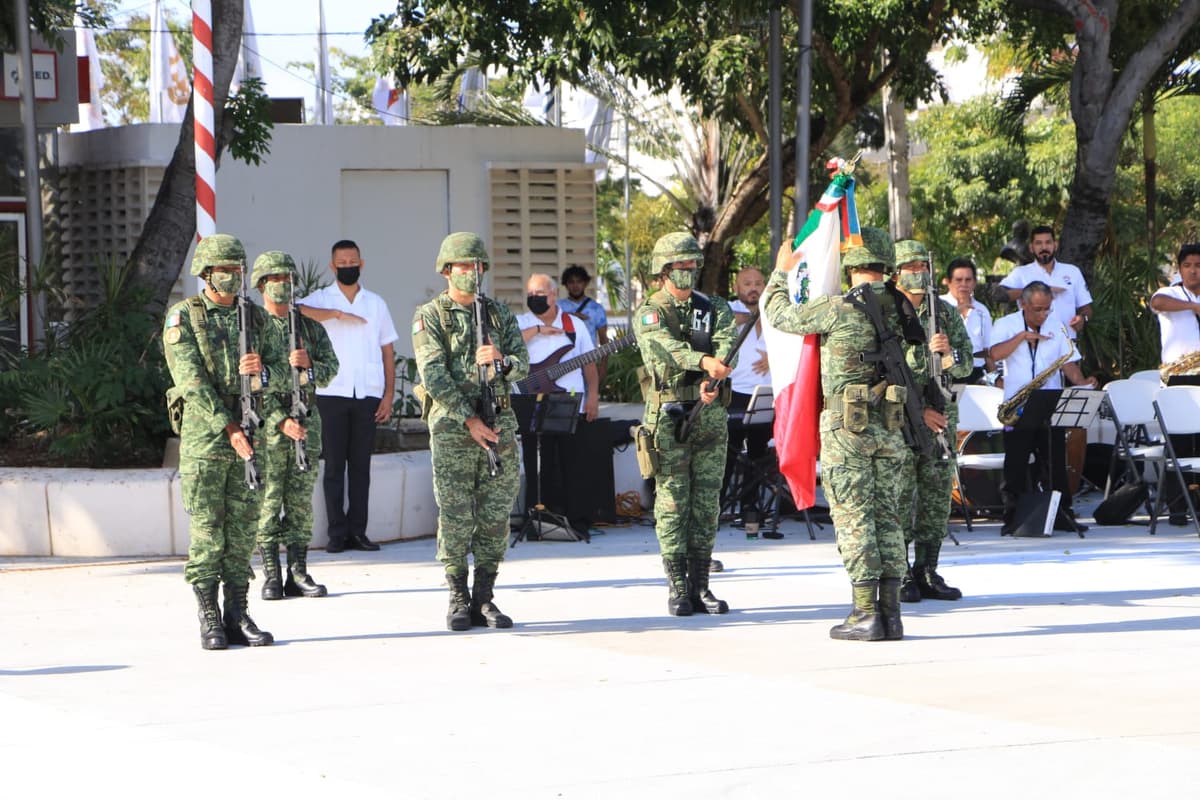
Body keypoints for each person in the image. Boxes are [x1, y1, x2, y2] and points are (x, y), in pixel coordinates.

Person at [764, 226, 942, 642]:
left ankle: (865, 613)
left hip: (848, 431)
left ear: (850, 266)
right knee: (890, 519)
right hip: (892, 428)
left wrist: (781, 272)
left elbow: (778, 314)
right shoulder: (902, 308)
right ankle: (891, 614)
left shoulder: (838, 309)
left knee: (854, 519)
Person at [163, 234, 278, 650]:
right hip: (208, 440)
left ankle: (237, 612)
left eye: (237, 269)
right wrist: (228, 427)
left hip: (250, 434)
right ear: (206, 273)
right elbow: (190, 381)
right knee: (209, 531)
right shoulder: (184, 317)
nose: (232, 276)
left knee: (244, 530)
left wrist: (262, 371)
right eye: (225, 270)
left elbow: (283, 375)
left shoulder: (256, 318)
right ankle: (209, 615)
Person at [412, 232, 529, 631]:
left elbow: (523, 364)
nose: (471, 272)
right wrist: (469, 419)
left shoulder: (498, 314)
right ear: (447, 270)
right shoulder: (431, 315)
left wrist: (501, 362)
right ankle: (458, 596)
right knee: (456, 515)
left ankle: (484, 596)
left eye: (477, 266)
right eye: (464, 265)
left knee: (496, 515)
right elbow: (433, 374)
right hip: (453, 428)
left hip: (499, 424)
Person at [633, 232, 738, 617]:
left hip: (710, 415)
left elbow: (727, 342)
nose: (689, 271)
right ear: (664, 270)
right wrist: (704, 362)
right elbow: (665, 348)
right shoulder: (651, 311)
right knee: (674, 502)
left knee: (707, 504)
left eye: (693, 265)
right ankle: (678, 587)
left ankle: (701, 585)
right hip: (669, 417)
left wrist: (718, 372)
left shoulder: (714, 307)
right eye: (681, 265)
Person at [297, 240, 398, 553]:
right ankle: (337, 534)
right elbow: (294, 309)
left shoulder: (376, 303)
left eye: (352, 261)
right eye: (342, 263)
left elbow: (388, 350)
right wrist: (336, 315)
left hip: (367, 393)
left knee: (360, 467)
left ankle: (358, 532)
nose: (348, 267)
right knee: (333, 467)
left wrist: (388, 395)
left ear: (361, 263)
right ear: (333, 266)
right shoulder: (321, 298)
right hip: (332, 392)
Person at [251, 251, 340, 601]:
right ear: (261, 284)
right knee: (269, 501)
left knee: (301, 503)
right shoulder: (252, 329)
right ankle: (272, 574)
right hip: (268, 429)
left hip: (307, 424)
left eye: (287, 279)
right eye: (275, 279)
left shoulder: (309, 328)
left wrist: (309, 366)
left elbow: (331, 370)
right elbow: (250, 382)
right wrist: (279, 420)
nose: (282, 285)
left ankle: (298, 572)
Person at [891, 240, 974, 604]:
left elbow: (968, 364)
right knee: (901, 498)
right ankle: (899, 572)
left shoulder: (945, 313)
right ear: (895, 273)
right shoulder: (887, 312)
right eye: (910, 266)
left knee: (937, 499)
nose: (918, 273)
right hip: (902, 418)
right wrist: (917, 409)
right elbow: (884, 371)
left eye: (922, 266)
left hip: (941, 419)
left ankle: (927, 569)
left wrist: (949, 355)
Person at [989, 281, 1099, 535]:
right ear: (1023, 305)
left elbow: (1068, 362)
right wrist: (1021, 337)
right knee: (1016, 464)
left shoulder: (1056, 325)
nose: (1043, 315)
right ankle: (1013, 517)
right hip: (1018, 405)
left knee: (1055, 461)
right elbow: (994, 354)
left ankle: (1061, 514)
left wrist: (1082, 383)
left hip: (1049, 401)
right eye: (1037, 309)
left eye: (1047, 309)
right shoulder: (1005, 324)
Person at [514, 273, 604, 536]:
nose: (534, 298)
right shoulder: (520, 323)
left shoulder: (573, 324)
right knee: (537, 466)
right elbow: (506, 348)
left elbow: (589, 363)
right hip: (531, 402)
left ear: (553, 296)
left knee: (573, 465)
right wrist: (538, 331)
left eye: (539, 294)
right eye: (530, 294)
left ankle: (577, 522)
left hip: (570, 403)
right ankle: (539, 522)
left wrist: (593, 396)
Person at [722, 267, 779, 539]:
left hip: (766, 394)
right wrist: (756, 315)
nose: (753, 288)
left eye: (758, 283)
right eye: (747, 283)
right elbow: (725, 322)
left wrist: (774, 355)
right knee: (728, 455)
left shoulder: (774, 310)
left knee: (758, 456)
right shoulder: (729, 309)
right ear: (737, 288)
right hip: (735, 394)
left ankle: (750, 509)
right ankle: (718, 507)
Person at [1000, 225, 1094, 340]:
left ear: (1055, 245)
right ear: (1031, 247)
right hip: (1034, 343)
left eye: (1048, 242)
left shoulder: (1072, 272)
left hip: (1067, 343)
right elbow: (999, 294)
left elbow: (1086, 308)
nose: (1044, 247)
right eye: (1038, 243)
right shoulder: (1021, 273)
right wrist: (1034, 291)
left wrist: (1083, 319)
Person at [941, 256, 995, 384]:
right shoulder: (938, 305)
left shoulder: (982, 310)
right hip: (947, 372)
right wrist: (955, 313)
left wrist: (994, 379)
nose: (964, 285)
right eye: (958, 280)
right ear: (948, 282)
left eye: (968, 280)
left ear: (974, 282)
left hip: (976, 373)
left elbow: (988, 351)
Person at [1150, 242, 1200, 368]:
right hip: (1177, 372)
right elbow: (1157, 302)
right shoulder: (1170, 292)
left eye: (1198, 266)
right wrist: (1194, 306)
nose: (1193, 271)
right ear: (1180, 269)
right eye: (1187, 266)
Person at [559, 265, 610, 383]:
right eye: (571, 282)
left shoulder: (597, 309)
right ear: (565, 285)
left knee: (589, 395)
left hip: (589, 363)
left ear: (586, 283)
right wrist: (571, 317)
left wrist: (603, 366)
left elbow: (603, 340)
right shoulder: (558, 307)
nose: (575, 286)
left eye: (579, 281)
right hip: (563, 365)